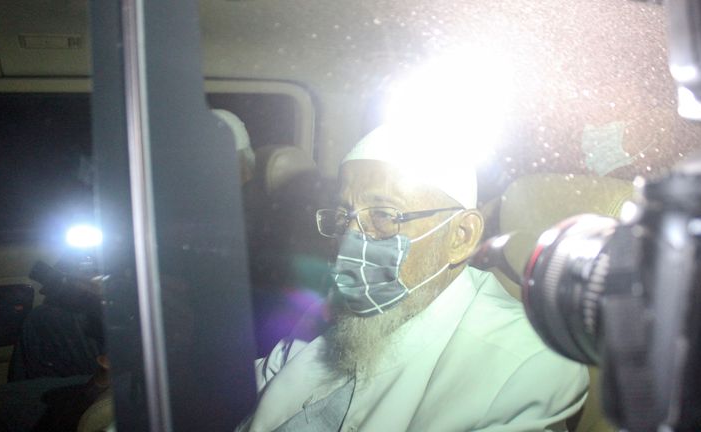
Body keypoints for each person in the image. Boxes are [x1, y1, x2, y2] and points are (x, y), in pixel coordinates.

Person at [240, 124, 589, 431]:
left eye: (383, 215)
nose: (349, 240)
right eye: (345, 216)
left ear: (461, 236)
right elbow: (243, 393)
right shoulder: (335, 305)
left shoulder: (525, 364)